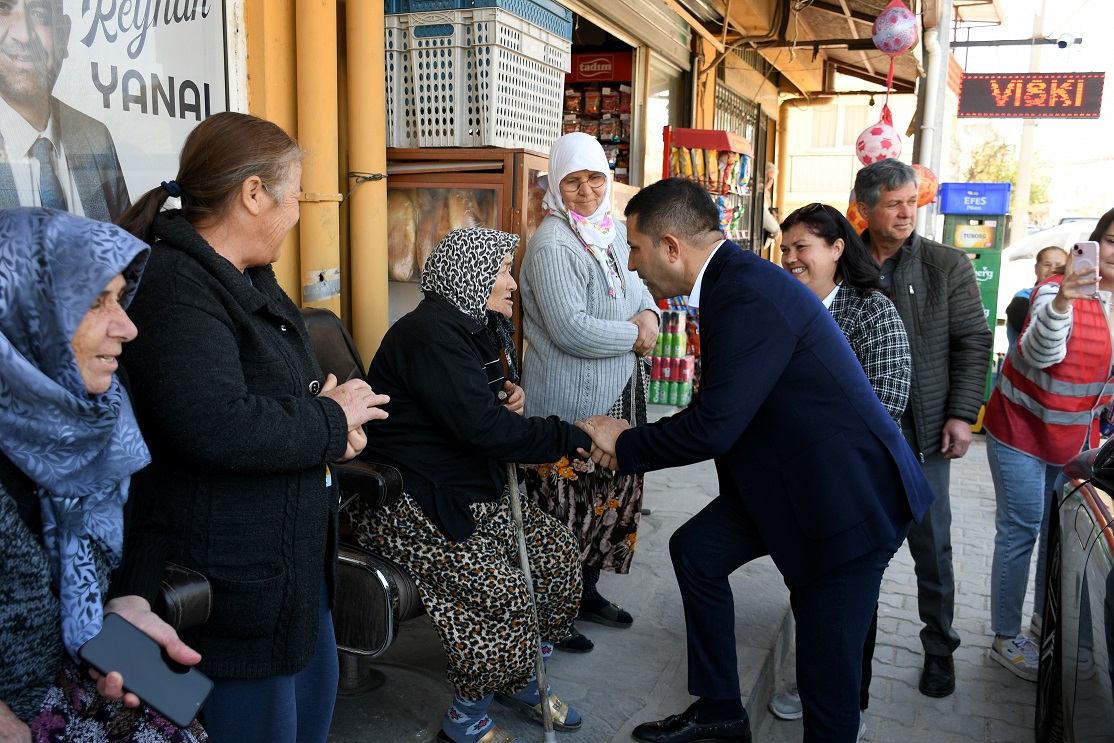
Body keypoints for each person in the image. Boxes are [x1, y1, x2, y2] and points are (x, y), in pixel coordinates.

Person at [578, 178, 934, 742]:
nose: (631, 263)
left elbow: (714, 428)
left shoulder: (745, 292)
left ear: (672, 246)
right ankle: (721, 710)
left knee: (827, 683)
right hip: (786, 482)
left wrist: (626, 444)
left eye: (635, 247)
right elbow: (723, 408)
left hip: (845, 503)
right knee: (696, 551)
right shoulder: (729, 284)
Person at [115, 112, 388, 743]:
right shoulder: (179, 284)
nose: (297, 213)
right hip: (231, 594)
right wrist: (329, 417)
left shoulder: (247, 276)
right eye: (294, 196)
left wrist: (331, 420)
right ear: (254, 194)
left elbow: (285, 395)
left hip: (289, 582)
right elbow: (215, 422)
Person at [345, 227, 592, 743]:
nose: (512, 284)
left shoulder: (473, 327)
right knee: (500, 591)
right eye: (503, 271)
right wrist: (569, 437)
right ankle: (466, 715)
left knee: (554, 556)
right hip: (412, 501)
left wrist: (508, 395)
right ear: (471, 276)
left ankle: (520, 675)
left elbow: (479, 407)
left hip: (467, 490)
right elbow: (481, 428)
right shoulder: (429, 334)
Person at [0, 207, 205, 741]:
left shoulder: (105, 408)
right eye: (96, 303)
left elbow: (147, 515)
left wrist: (129, 597)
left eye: (119, 297)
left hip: (73, 670)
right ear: (23, 312)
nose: (128, 326)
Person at [769, 202, 911, 735]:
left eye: (802, 247)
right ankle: (818, 690)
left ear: (836, 248)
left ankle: (849, 704)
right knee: (810, 587)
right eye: (784, 249)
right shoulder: (783, 305)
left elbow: (887, 402)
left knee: (851, 603)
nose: (790, 258)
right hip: (800, 479)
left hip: (857, 483)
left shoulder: (872, 310)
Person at [855, 158, 993, 698]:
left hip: (927, 433)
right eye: (894, 203)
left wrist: (962, 413)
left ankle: (940, 650)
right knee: (856, 545)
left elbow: (974, 342)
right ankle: (852, 654)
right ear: (864, 209)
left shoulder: (946, 265)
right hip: (862, 437)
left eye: (912, 201)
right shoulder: (846, 261)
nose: (907, 212)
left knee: (932, 549)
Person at [518, 132, 659, 653]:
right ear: (555, 185)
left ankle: (587, 593)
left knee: (609, 499)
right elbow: (569, 328)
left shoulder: (614, 235)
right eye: (572, 181)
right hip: (570, 402)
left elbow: (646, 293)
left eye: (594, 179)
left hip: (618, 395)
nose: (585, 191)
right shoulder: (553, 244)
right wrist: (636, 333)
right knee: (565, 509)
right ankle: (554, 612)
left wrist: (649, 314)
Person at [982, 208, 1114, 682]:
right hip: (1019, 430)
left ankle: (1042, 625)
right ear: (1096, 244)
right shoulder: (1055, 291)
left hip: (1074, 443)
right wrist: (1063, 304)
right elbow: (1039, 352)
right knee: (1022, 531)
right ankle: (1003, 637)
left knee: (1056, 537)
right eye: (1112, 241)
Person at [0, 0, 129, 220]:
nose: (24, 35)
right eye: (3, 9)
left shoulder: (96, 138)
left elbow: (127, 249)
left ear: (64, 35)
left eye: (40, 14)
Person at [1004, 246, 1067, 349]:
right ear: (1036, 268)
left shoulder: (1075, 300)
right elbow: (1041, 335)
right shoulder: (1022, 299)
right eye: (1047, 265)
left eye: (1059, 266)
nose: (1052, 270)